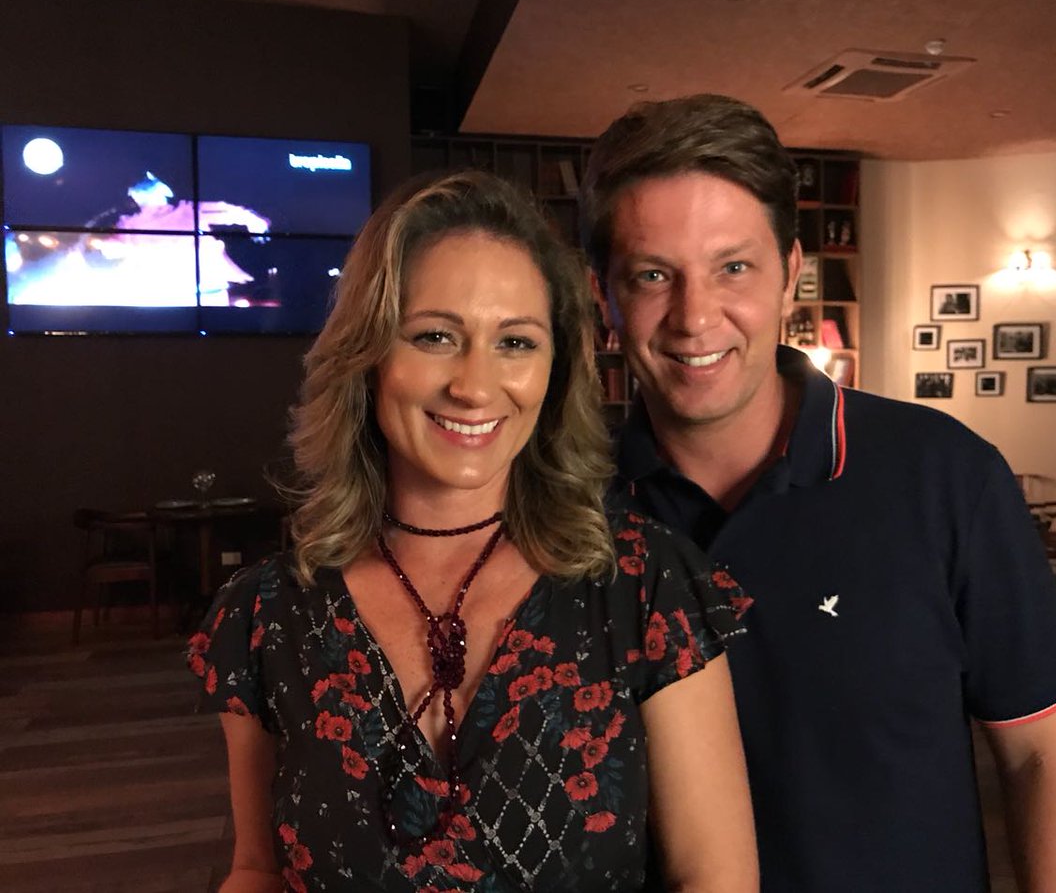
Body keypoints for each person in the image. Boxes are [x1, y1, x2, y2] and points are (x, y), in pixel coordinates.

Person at [579, 94, 1056, 892]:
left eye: (734, 268)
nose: (695, 317)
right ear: (605, 299)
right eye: (653, 275)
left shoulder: (945, 475)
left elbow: (1045, 758)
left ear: (790, 275)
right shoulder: (566, 506)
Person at [186, 170, 757, 892]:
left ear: (554, 372)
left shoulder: (645, 587)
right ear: (367, 356)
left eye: (515, 342)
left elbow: (715, 877)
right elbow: (256, 870)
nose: (475, 386)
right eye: (434, 336)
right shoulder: (267, 615)